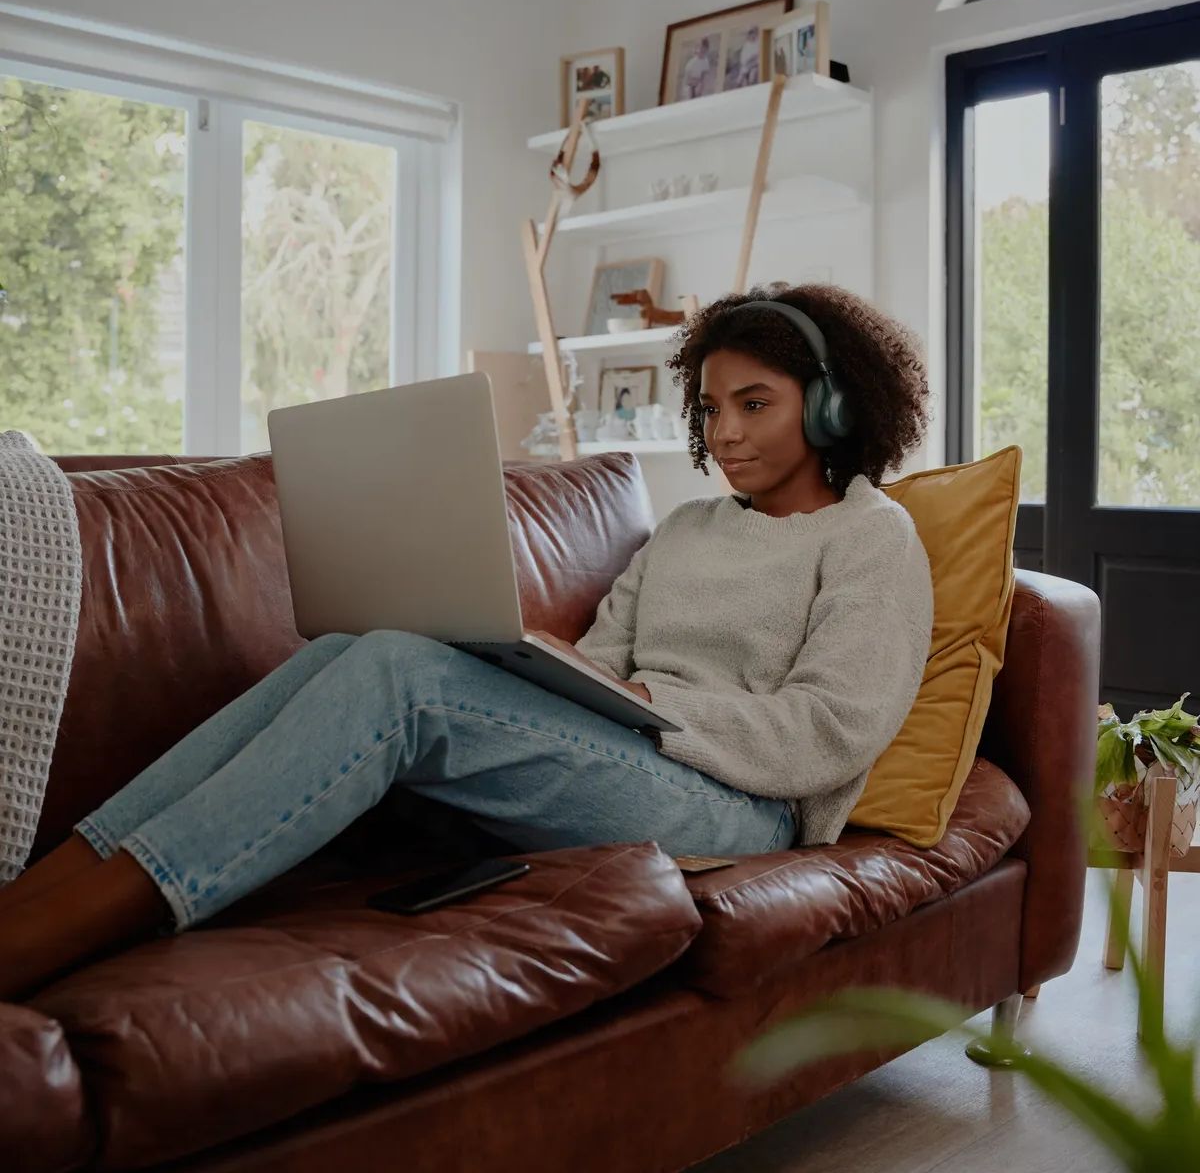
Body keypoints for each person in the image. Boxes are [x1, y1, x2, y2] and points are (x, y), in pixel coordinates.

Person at [0, 283, 934, 1002]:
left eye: (754, 404)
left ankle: (50, 937)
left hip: (745, 811)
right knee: (354, 651)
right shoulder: (688, 528)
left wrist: (656, 710)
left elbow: (829, 732)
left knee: (404, 678)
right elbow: (607, 664)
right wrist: (538, 671)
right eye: (708, 408)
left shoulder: (869, 537)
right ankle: (40, 891)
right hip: (636, 756)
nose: (723, 433)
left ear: (830, 409)